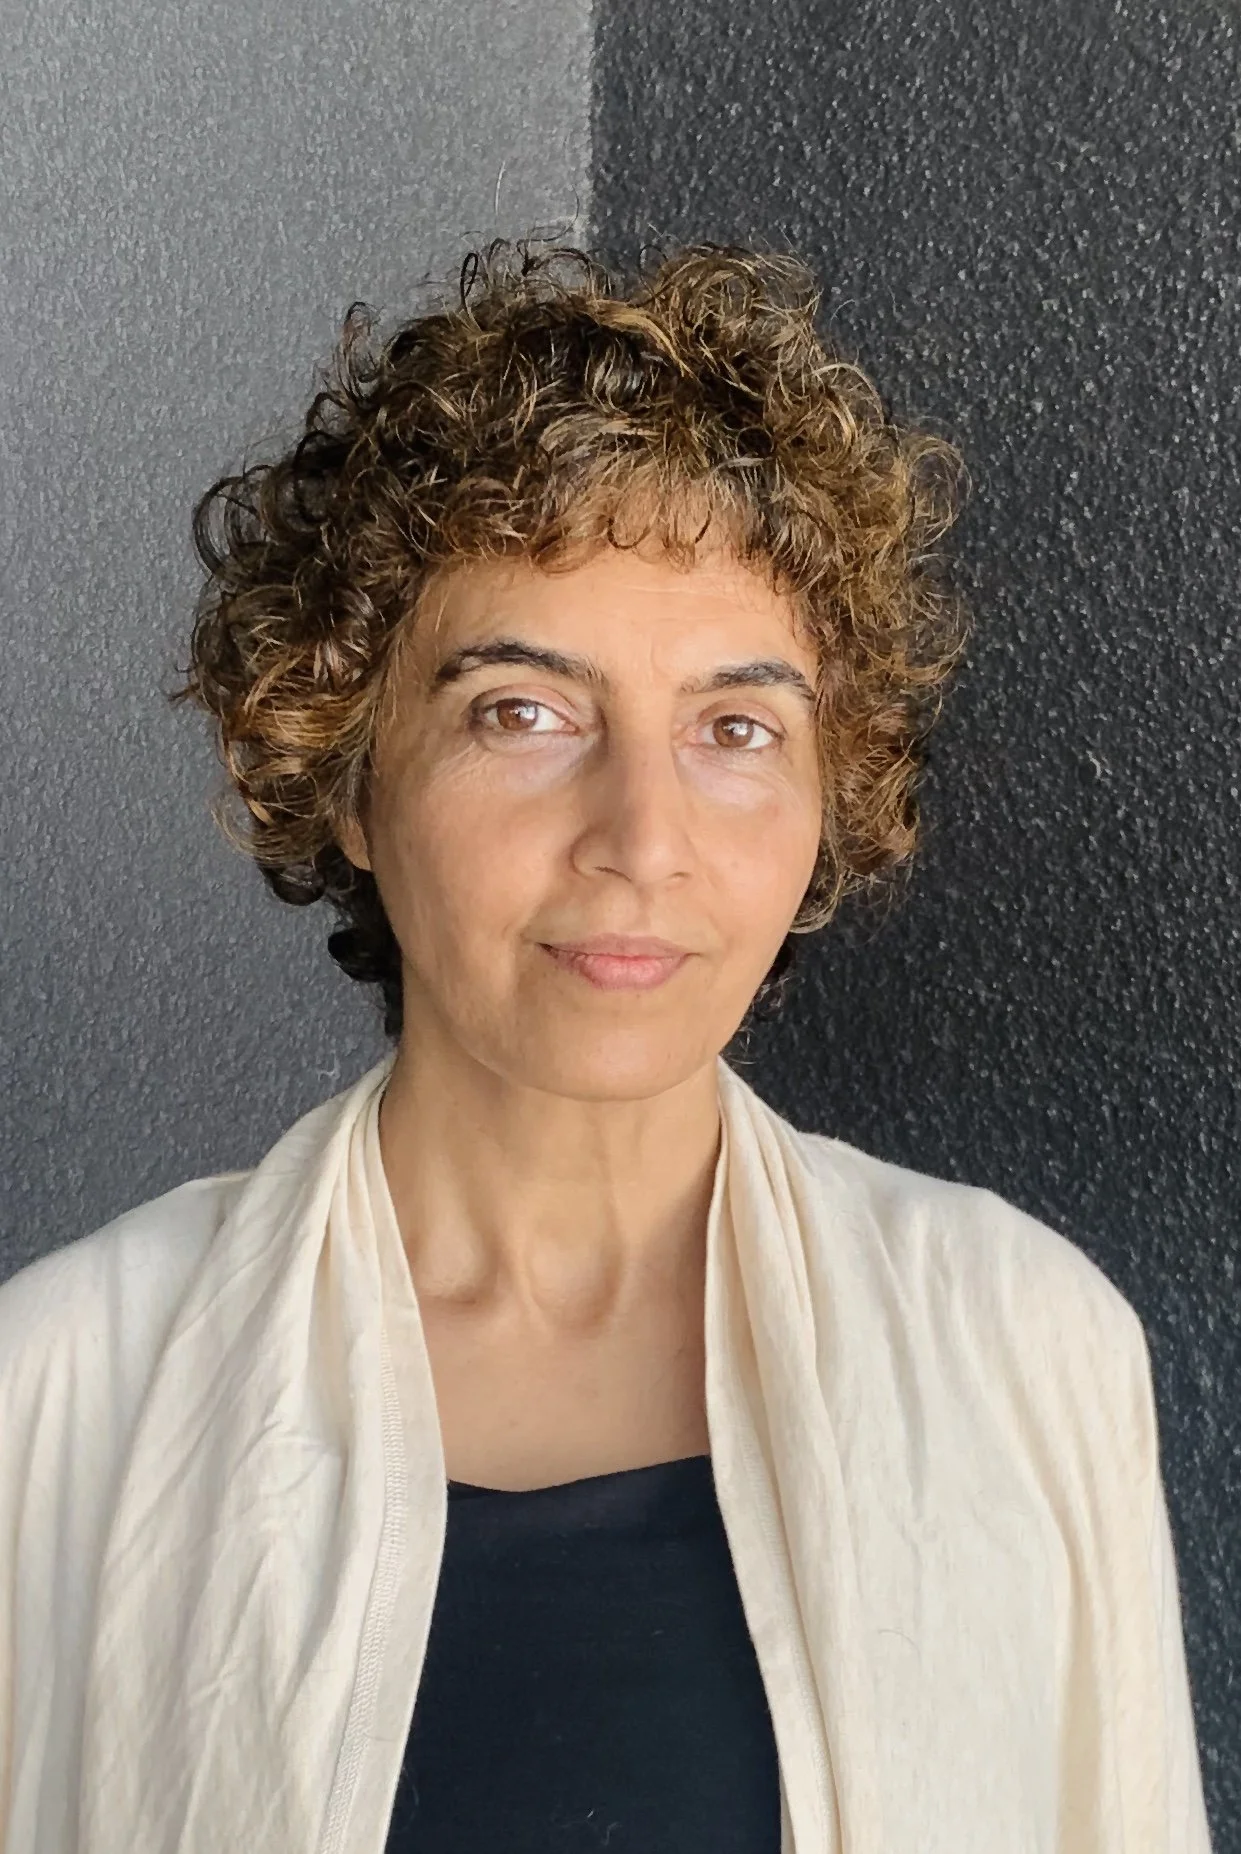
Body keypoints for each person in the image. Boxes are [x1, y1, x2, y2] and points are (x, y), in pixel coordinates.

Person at [0, 239, 1212, 1854]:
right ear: (347, 772)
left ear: (828, 796)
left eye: (735, 728)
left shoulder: (1026, 1349)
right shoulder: (65, 1393)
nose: (641, 836)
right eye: (523, 710)